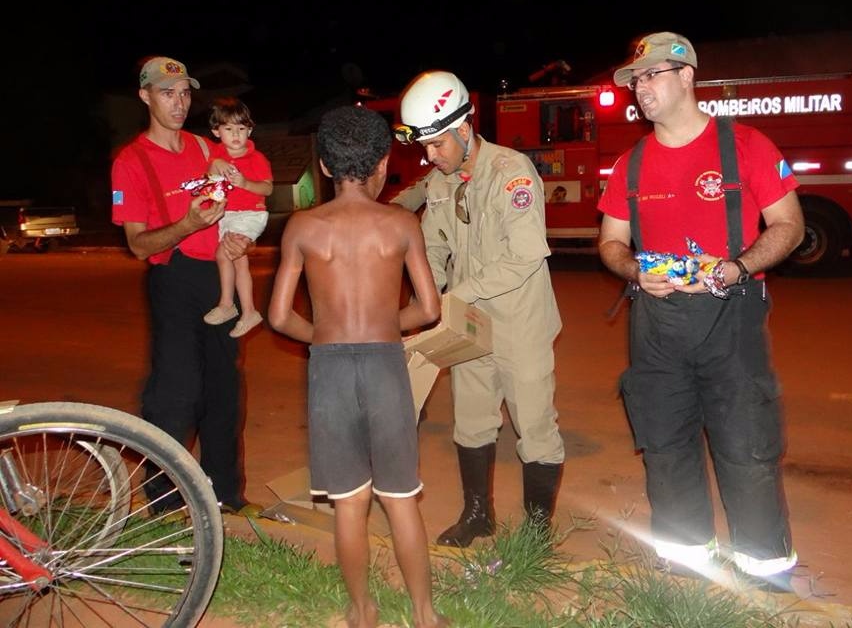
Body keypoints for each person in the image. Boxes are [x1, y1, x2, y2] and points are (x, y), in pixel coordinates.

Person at [596, 32, 804, 591]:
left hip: (730, 317)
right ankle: (688, 565)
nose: (641, 89)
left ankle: (765, 572)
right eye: (635, 80)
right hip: (657, 326)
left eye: (652, 75)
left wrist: (736, 266)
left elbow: (790, 226)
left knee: (745, 444)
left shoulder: (748, 147)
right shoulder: (630, 165)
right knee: (664, 444)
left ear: (687, 76)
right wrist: (637, 270)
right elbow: (611, 243)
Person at [268, 105, 447, 628]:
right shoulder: (401, 222)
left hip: (330, 372)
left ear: (323, 166)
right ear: (384, 163)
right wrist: (385, 325)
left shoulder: (303, 226)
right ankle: (424, 614)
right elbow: (431, 309)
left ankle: (362, 611)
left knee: (349, 503)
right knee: (401, 499)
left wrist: (324, 337)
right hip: (386, 366)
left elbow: (279, 316)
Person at [393, 70, 565, 547]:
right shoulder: (443, 181)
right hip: (469, 325)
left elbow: (525, 255)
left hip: (520, 323)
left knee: (533, 427)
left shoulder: (511, 174)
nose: (430, 157)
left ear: (464, 127)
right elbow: (431, 249)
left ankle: (536, 533)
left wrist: (454, 297)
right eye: (425, 147)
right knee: (471, 420)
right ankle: (477, 515)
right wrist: (425, 307)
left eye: (436, 146)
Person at [111, 56, 261, 516]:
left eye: (184, 94)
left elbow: (248, 192)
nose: (178, 103)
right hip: (173, 278)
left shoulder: (203, 146)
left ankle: (226, 498)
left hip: (217, 277)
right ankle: (164, 502)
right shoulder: (131, 161)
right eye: (166, 93)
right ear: (145, 96)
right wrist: (187, 222)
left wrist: (240, 235)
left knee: (224, 390)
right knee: (177, 392)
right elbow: (138, 245)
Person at [203, 97, 273, 338]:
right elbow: (208, 173)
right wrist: (216, 163)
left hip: (249, 214)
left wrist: (245, 183)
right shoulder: (216, 154)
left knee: (225, 253)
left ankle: (227, 304)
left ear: (250, 130)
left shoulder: (257, 159)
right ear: (216, 131)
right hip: (227, 215)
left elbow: (267, 189)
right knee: (236, 260)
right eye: (228, 129)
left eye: (241, 129)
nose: (236, 135)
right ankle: (248, 311)